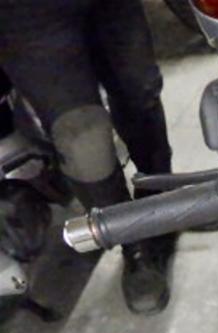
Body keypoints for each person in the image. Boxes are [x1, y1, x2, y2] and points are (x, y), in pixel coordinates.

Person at [0, 0, 177, 314]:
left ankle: (165, 202)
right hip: (24, 14)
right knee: (80, 135)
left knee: (140, 93)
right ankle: (134, 245)